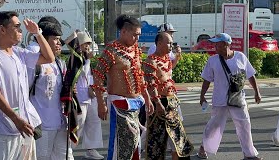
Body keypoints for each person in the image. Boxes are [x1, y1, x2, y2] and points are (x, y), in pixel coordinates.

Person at [92, 14, 154, 160]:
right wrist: (101, 104)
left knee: (135, 145)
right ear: (124, 32)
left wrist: (147, 98)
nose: (137, 39)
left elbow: (139, 76)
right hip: (119, 103)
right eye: (135, 35)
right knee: (121, 144)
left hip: (136, 103)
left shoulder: (136, 50)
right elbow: (98, 75)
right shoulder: (111, 50)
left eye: (139, 35)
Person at [0, 11, 54, 159]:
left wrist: (38, 34)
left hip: (25, 126)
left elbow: (49, 58)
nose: (21, 30)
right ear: (2, 29)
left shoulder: (18, 53)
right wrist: (15, 119)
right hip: (4, 129)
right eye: (16, 26)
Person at [198, 33, 262, 160]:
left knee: (244, 125)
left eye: (218, 43)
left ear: (226, 44)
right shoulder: (213, 60)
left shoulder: (240, 57)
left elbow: (250, 75)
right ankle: (203, 149)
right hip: (220, 100)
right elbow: (206, 80)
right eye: (214, 43)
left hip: (237, 99)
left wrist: (257, 92)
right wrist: (202, 96)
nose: (215, 46)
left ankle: (249, 154)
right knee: (214, 126)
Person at [27, 20, 75, 160]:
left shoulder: (59, 62)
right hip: (42, 125)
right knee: (42, 157)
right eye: (55, 39)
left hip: (60, 123)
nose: (59, 43)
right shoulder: (33, 60)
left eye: (59, 39)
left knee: (65, 157)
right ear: (43, 40)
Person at [143, 32, 194, 160]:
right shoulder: (150, 61)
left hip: (172, 102)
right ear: (159, 43)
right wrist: (157, 103)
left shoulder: (167, 60)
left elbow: (168, 76)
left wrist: (177, 56)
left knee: (179, 139)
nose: (171, 45)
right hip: (158, 103)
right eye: (169, 43)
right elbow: (151, 84)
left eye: (172, 43)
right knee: (156, 140)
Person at [72, 31, 104, 159]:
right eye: (85, 44)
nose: (88, 47)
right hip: (80, 96)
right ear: (78, 44)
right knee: (79, 124)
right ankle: (69, 149)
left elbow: (89, 75)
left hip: (90, 94)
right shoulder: (76, 57)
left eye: (88, 44)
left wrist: (93, 87)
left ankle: (91, 149)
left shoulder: (86, 58)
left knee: (94, 122)